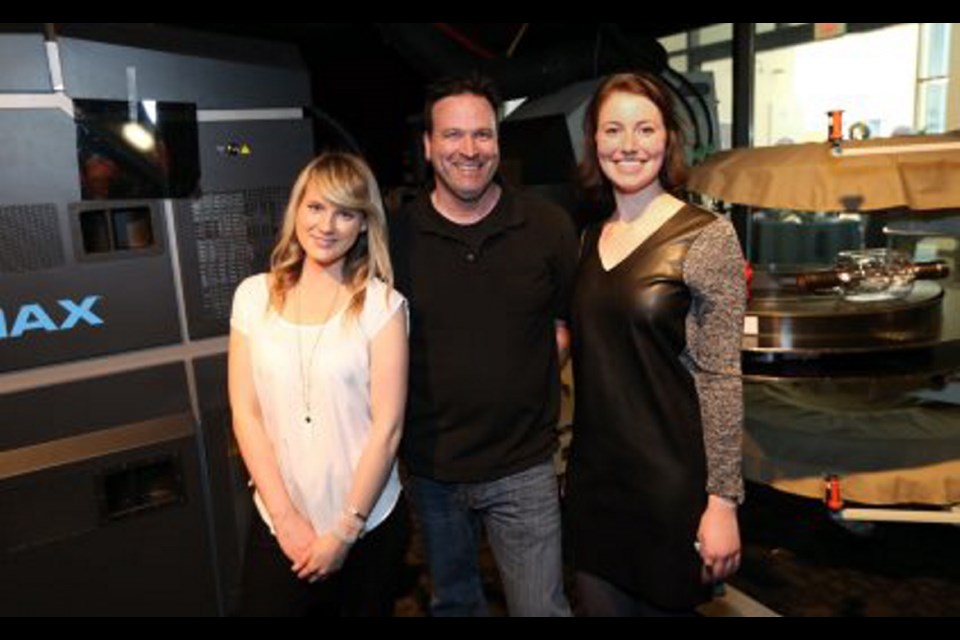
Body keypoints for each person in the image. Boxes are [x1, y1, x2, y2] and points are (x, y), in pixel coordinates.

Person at [390, 74, 578, 617]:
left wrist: (524, 376)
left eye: (482, 135)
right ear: (427, 146)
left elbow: (566, 322)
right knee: (454, 607)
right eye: (452, 136)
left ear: (498, 141)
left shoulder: (547, 227)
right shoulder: (394, 238)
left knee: (541, 610)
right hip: (431, 471)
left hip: (524, 467)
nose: (468, 150)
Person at [565, 72, 746, 617]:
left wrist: (722, 502)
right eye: (612, 129)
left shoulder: (708, 236)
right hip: (595, 485)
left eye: (645, 128)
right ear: (593, 142)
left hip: (671, 492)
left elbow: (720, 378)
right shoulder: (587, 238)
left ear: (668, 137)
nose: (628, 145)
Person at [229, 152, 409, 617]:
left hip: (366, 528)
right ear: (297, 210)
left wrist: (344, 532)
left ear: (364, 225)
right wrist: (286, 521)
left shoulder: (383, 306)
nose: (327, 225)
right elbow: (246, 414)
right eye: (316, 207)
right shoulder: (253, 296)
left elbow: (387, 429)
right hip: (278, 525)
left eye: (345, 212)